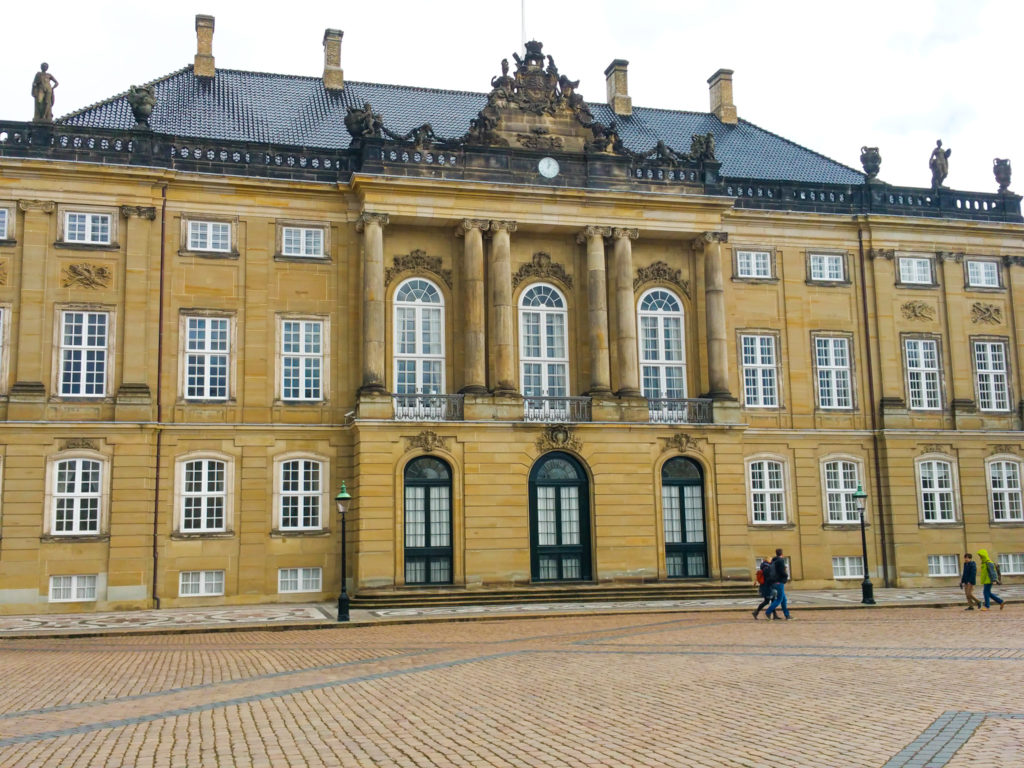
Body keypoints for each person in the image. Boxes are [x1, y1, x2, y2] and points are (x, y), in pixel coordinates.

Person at [764, 548, 791, 620]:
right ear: (782, 554)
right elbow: (782, 571)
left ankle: (787, 615)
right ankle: (768, 611)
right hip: (779, 582)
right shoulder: (780, 560)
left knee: (784, 599)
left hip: (773, 582)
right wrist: (786, 576)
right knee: (779, 599)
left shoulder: (773, 560)